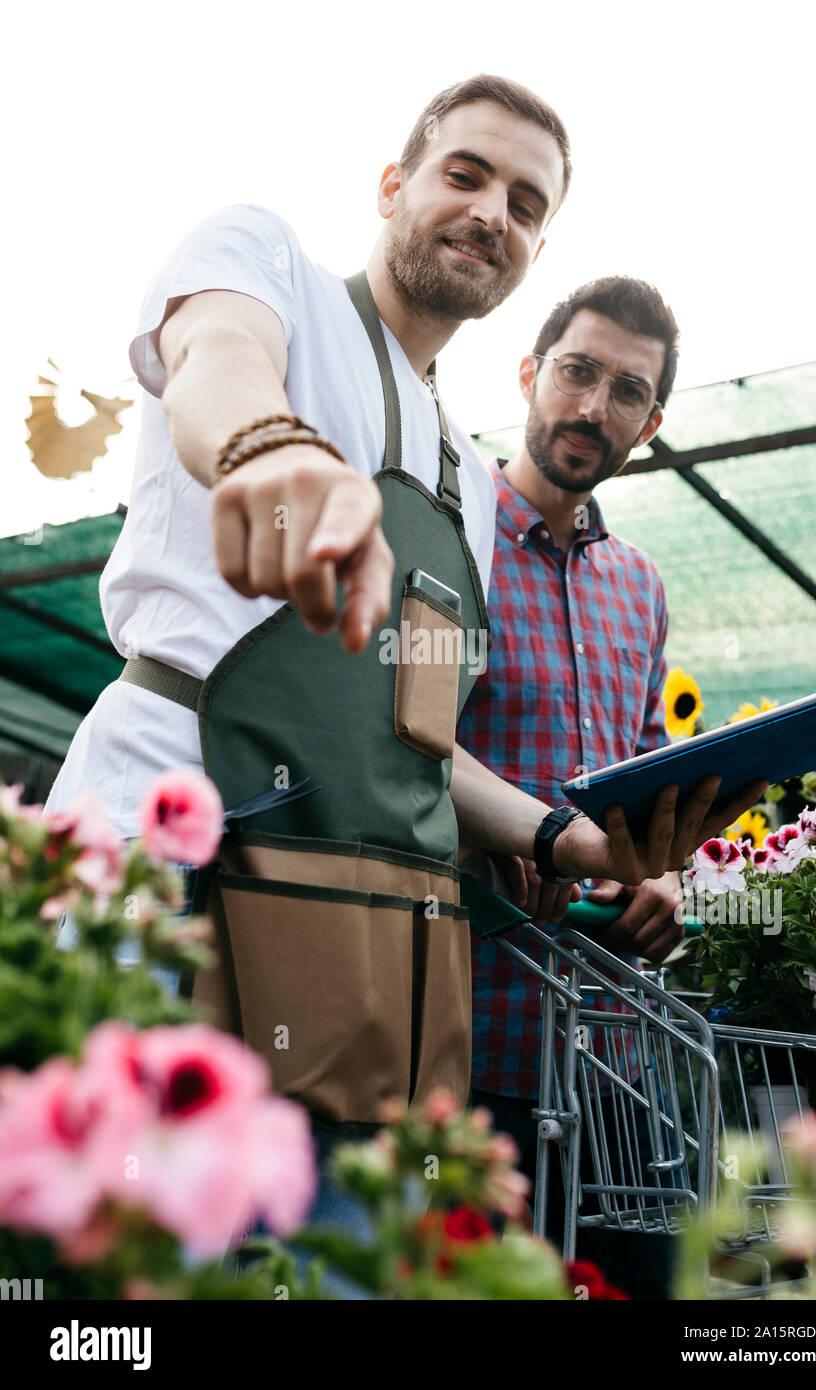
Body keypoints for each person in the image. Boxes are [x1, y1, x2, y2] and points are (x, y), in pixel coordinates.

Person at [44, 73, 760, 1214]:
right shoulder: (264, 263)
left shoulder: (465, 480)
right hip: (166, 855)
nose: (492, 212)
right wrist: (268, 448)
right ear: (394, 184)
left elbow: (419, 735)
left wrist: (570, 841)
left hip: (355, 935)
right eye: (464, 174)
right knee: (129, 1259)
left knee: (315, 1263)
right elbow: (215, 363)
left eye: (525, 203)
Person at [459, 276, 709, 1298]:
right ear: (528, 372)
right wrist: (485, 840)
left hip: (615, 1054)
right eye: (576, 371)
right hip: (469, 1037)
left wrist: (667, 879)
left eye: (624, 390)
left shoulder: (639, 586)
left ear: (648, 423)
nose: (591, 406)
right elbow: (395, 745)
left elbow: (651, 778)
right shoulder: (450, 537)